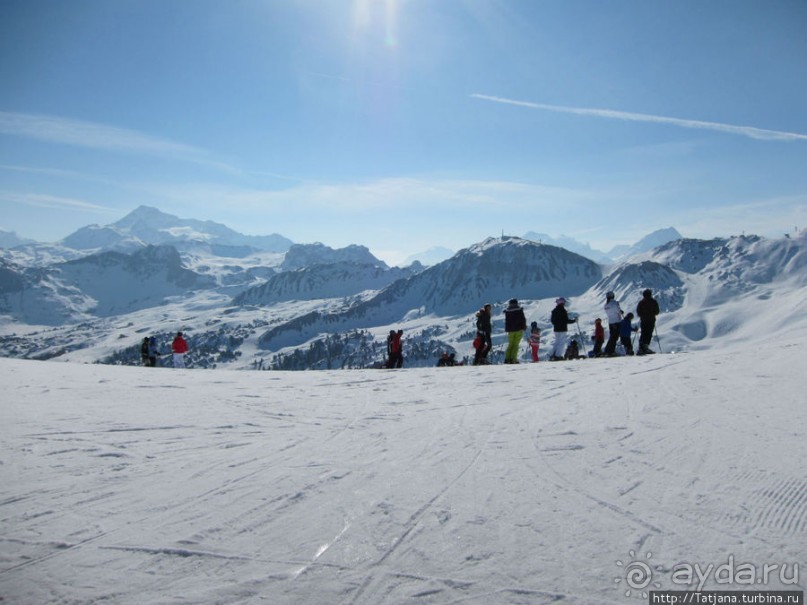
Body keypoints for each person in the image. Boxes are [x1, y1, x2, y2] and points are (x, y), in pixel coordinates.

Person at [636, 289, 660, 355]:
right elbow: (657, 311)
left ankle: (641, 347)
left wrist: (642, 315)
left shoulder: (641, 302)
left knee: (643, 333)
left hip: (643, 320)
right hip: (651, 320)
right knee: (649, 334)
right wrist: (652, 313)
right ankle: (645, 347)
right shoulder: (653, 302)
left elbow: (638, 312)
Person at [503, 298, 527, 364]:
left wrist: (507, 329)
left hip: (510, 331)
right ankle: (513, 359)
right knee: (516, 345)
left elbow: (507, 321)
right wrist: (524, 326)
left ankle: (507, 359)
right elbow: (523, 319)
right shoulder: (520, 310)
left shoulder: (507, 311)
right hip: (519, 329)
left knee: (510, 344)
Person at [603, 291, 624, 357]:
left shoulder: (606, 305)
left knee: (612, 337)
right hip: (616, 322)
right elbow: (619, 311)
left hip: (610, 322)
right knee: (614, 337)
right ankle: (611, 351)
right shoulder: (614, 303)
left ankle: (607, 350)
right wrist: (620, 309)